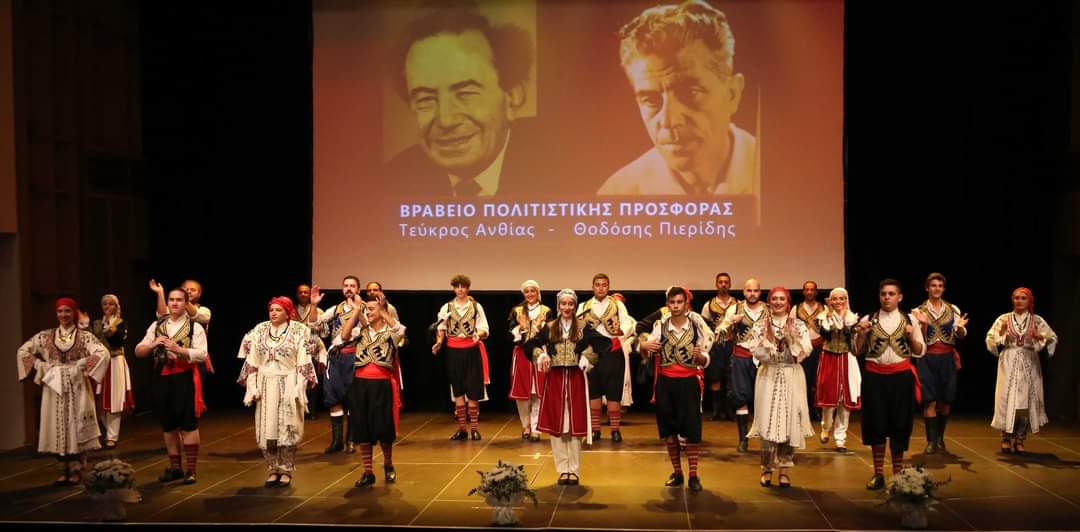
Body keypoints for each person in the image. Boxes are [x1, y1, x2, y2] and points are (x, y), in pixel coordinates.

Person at [598, 0, 757, 197]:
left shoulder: (784, 173)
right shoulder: (618, 194)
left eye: (690, 93)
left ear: (732, 94)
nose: (669, 121)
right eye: (650, 100)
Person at [385, 8, 543, 197]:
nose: (446, 120)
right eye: (426, 99)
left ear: (512, 96)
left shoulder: (564, 164)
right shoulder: (393, 181)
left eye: (465, 94)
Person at [18, 298, 109, 486]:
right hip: (54, 386)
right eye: (60, 311)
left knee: (75, 424)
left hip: (77, 385)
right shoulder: (46, 336)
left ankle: (76, 469)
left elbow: (103, 353)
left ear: (74, 312)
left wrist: (83, 364)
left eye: (67, 311)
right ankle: (63, 469)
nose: (64, 315)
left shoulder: (84, 336)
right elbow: (23, 351)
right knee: (56, 423)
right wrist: (39, 365)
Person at [236, 297, 319, 488]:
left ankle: (286, 469)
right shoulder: (260, 329)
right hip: (266, 384)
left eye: (278, 310)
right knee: (267, 428)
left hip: (288, 382)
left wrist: (300, 386)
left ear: (288, 313)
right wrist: (252, 385)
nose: (273, 313)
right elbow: (252, 359)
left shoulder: (298, 331)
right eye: (271, 309)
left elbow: (304, 360)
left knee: (288, 427)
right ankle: (272, 469)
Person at [854, 279, 926, 490]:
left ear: (899, 297)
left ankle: (897, 475)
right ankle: (878, 474)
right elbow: (857, 350)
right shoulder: (868, 320)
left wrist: (911, 337)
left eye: (891, 294)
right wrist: (861, 334)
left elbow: (920, 351)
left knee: (899, 425)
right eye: (883, 294)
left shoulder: (910, 320)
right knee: (876, 424)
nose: (887, 297)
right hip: (874, 377)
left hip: (900, 377)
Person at [639, 287, 713, 491]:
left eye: (680, 302)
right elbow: (646, 350)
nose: (676, 306)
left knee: (691, 430)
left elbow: (706, 356)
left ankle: (693, 475)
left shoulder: (697, 327)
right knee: (669, 431)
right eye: (672, 302)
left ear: (686, 303)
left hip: (689, 383)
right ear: (667, 304)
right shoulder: (660, 327)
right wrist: (644, 347)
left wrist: (701, 358)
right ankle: (677, 472)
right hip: (666, 383)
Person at [526, 289, 602, 486]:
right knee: (556, 424)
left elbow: (603, 344)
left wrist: (588, 356)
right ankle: (562, 470)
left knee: (575, 424)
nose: (567, 307)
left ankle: (573, 470)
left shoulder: (584, 326)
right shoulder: (550, 327)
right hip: (555, 379)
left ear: (575, 306)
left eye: (570, 304)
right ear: (558, 306)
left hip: (576, 377)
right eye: (563, 304)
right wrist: (541, 355)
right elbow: (531, 344)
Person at [135, 287, 209, 485]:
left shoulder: (194, 327)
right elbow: (138, 351)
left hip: (184, 377)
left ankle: (191, 469)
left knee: (188, 424)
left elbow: (202, 354)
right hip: (161, 377)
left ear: (186, 303)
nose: (175, 303)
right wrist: (153, 344)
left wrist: (179, 350)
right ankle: (175, 468)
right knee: (168, 425)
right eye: (171, 299)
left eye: (179, 300)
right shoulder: (157, 325)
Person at [337, 292, 406, 486]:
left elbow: (400, 329)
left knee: (383, 428)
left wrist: (382, 311)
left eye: (371, 309)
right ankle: (368, 472)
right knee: (362, 428)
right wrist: (357, 310)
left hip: (381, 386)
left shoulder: (391, 333)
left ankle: (388, 464)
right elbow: (344, 335)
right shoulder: (361, 332)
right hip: (360, 385)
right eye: (367, 309)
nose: (368, 312)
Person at [748, 287, 813, 488]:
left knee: (790, 420)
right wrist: (768, 340)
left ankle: (784, 469)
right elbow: (757, 353)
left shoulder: (799, 325)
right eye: (774, 299)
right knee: (767, 421)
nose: (778, 302)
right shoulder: (760, 325)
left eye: (781, 299)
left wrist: (791, 337)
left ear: (788, 302)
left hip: (791, 374)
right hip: (769, 374)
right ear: (769, 302)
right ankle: (767, 468)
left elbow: (804, 352)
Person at [985, 287, 1058, 454]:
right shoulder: (1003, 319)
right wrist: (1002, 333)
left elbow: (1052, 337)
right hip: (1009, 361)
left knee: (1025, 401)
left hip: (1029, 361)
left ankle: (1019, 438)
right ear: (1012, 300)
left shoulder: (1036, 320)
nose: (1019, 301)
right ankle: (1006, 437)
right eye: (1016, 298)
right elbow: (990, 339)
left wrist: (1040, 337)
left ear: (1029, 301)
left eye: (1023, 298)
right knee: (1007, 398)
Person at [914, 273, 969, 454]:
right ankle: (931, 441)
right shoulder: (917, 311)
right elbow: (916, 339)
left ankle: (940, 437)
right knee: (929, 401)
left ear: (943, 289)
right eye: (933, 285)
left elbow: (960, 335)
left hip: (947, 358)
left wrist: (960, 328)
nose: (936, 288)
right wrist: (922, 325)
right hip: (927, 358)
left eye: (939, 286)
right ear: (927, 288)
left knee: (945, 401)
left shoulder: (953, 309)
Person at [577, 273, 636, 442]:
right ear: (592, 287)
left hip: (613, 350)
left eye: (604, 285)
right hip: (592, 352)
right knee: (594, 391)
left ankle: (615, 430)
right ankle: (595, 430)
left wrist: (621, 332)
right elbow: (578, 327)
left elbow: (628, 322)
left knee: (613, 391)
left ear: (608, 287)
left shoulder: (617, 305)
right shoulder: (584, 306)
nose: (601, 288)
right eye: (597, 285)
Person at [432, 274, 490, 440]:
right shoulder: (447, 307)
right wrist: (439, 342)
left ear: (467, 288)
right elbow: (441, 328)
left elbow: (485, 328)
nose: (460, 289)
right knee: (457, 389)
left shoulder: (476, 306)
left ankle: (474, 428)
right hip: (453, 351)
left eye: (463, 286)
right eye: (457, 287)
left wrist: (478, 334)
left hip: (471, 350)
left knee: (473, 388)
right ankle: (462, 428)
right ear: (453, 288)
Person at [309, 275, 363, 454]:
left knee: (353, 399)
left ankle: (351, 440)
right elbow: (314, 323)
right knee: (333, 397)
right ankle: (337, 441)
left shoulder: (364, 308)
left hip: (355, 356)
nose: (349, 288)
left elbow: (369, 328)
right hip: (336, 357)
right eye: (346, 285)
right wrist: (314, 305)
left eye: (352, 286)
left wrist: (358, 309)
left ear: (358, 289)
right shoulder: (336, 309)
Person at [717, 278, 767, 452]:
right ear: (744, 292)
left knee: (765, 398)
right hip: (741, 357)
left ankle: (766, 439)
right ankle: (743, 440)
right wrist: (732, 323)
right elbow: (722, 334)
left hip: (764, 359)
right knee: (741, 398)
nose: (752, 294)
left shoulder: (768, 309)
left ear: (760, 292)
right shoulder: (735, 309)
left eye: (755, 290)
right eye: (749, 290)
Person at [79, 294, 134, 449]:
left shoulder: (121, 323)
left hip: (115, 362)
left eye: (111, 304)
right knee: (99, 399)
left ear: (116, 306)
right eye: (105, 304)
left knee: (114, 399)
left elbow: (117, 340)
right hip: (100, 363)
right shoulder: (97, 323)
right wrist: (86, 326)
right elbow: (91, 341)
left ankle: (112, 436)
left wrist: (110, 326)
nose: (107, 307)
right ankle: (108, 432)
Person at [815, 288, 861, 453]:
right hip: (830, 358)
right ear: (830, 301)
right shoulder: (823, 317)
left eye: (842, 298)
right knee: (830, 399)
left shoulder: (852, 318)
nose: (839, 302)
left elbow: (851, 335)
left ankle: (840, 439)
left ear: (846, 300)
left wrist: (849, 322)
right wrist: (829, 317)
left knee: (845, 401)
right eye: (835, 299)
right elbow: (826, 334)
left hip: (847, 359)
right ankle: (826, 427)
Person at [508, 280, 551, 441]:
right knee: (522, 394)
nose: (530, 294)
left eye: (533, 291)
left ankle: (536, 428)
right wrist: (520, 328)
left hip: (539, 353)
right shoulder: (517, 311)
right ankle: (526, 425)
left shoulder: (546, 311)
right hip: (522, 354)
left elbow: (551, 332)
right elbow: (510, 332)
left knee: (538, 392)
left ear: (537, 292)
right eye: (527, 291)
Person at [700, 272, 737, 421]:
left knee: (731, 378)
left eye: (726, 282)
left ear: (730, 284)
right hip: (715, 346)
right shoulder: (708, 304)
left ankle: (730, 411)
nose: (723, 284)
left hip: (731, 344)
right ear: (716, 284)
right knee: (715, 377)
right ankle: (716, 411)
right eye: (720, 282)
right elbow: (703, 325)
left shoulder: (737, 304)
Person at [791, 281, 825, 422]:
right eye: (807, 289)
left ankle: (816, 409)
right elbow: (791, 327)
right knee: (802, 380)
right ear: (803, 292)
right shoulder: (796, 308)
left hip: (819, 347)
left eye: (812, 289)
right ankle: (802, 410)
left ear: (816, 292)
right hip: (802, 349)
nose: (809, 292)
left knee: (817, 380)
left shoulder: (824, 308)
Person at [295, 283, 325, 420]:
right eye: (300, 292)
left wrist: (316, 329)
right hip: (295, 348)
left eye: (305, 292)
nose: (303, 294)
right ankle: (299, 409)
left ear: (309, 294)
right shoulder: (291, 310)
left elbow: (324, 331)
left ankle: (312, 410)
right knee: (297, 378)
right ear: (297, 295)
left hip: (313, 346)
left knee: (313, 377)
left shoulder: (319, 311)